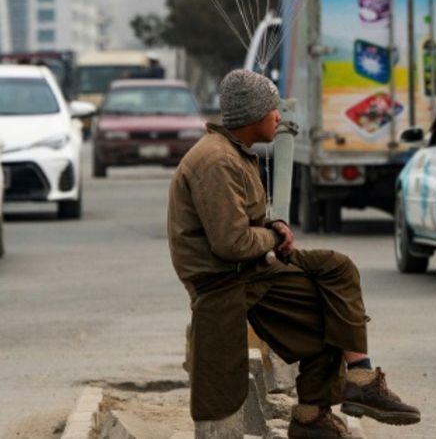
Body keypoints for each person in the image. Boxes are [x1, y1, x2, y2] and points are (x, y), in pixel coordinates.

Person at [168, 70, 420, 439]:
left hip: (251, 269)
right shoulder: (216, 161)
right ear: (255, 115)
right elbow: (231, 243)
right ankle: (328, 405)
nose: (279, 118)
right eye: (274, 111)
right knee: (327, 310)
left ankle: (336, 397)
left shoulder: (235, 153)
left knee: (336, 274)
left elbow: (246, 222)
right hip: (227, 279)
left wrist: (275, 226)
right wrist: (271, 237)